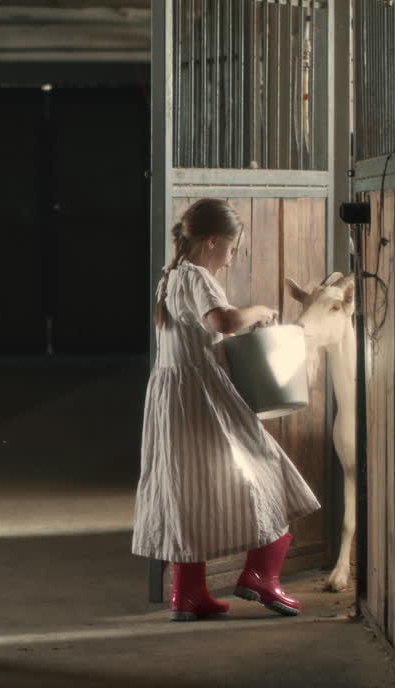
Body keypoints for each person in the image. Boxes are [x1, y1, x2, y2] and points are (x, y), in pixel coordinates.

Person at [131, 198, 321, 621]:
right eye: (232, 251)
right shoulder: (197, 276)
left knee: (188, 488)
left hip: (172, 398)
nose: (231, 262)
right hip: (202, 394)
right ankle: (260, 577)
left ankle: (188, 595)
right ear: (213, 241)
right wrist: (261, 312)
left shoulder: (170, 277)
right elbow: (223, 323)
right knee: (269, 471)